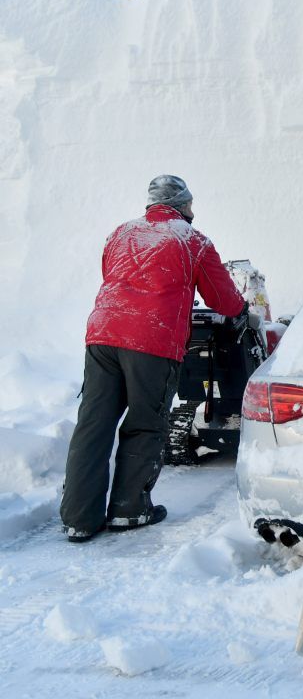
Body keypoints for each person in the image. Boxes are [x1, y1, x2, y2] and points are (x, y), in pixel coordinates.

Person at [60, 175, 247, 542]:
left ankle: (78, 518)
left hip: (102, 334)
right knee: (145, 423)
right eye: (190, 203)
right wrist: (241, 310)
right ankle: (129, 510)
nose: (192, 210)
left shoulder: (120, 233)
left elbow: (115, 276)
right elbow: (223, 299)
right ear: (181, 205)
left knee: (93, 424)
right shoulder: (191, 240)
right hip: (152, 340)